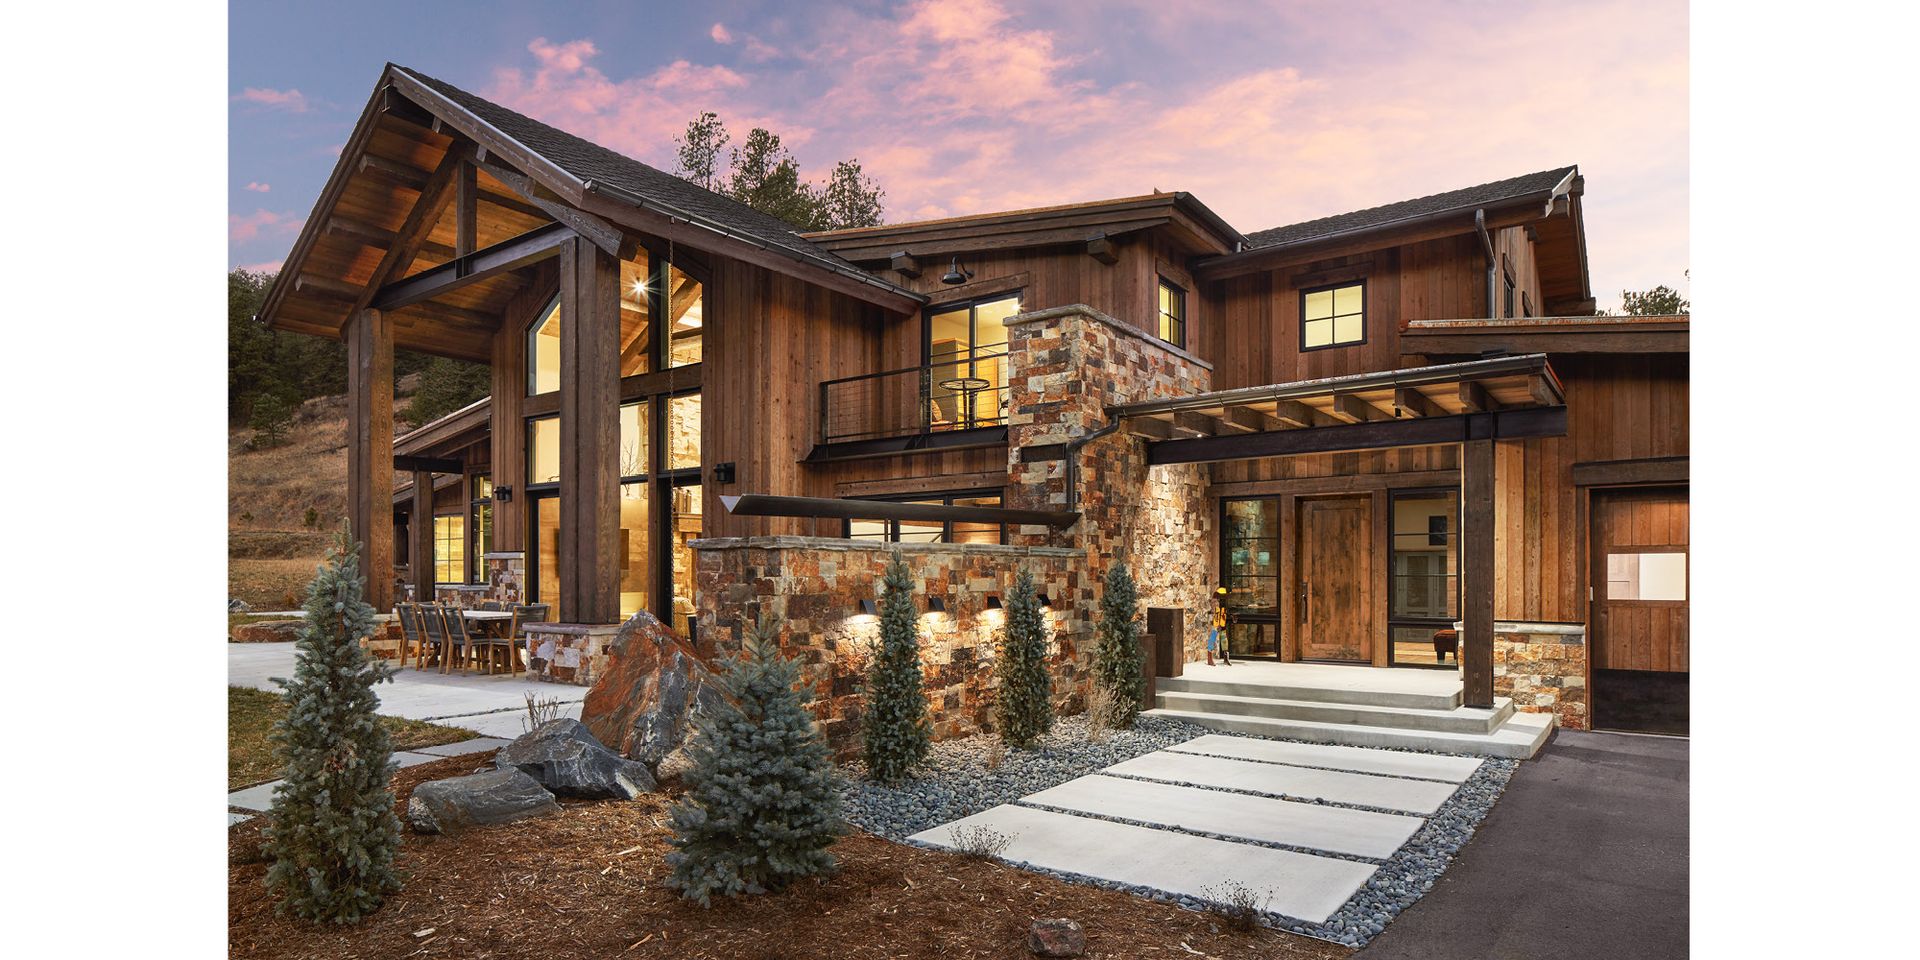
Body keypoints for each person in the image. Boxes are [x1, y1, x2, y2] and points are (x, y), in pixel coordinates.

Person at [1207, 586, 1233, 666]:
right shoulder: (1217, 600)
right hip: (1217, 621)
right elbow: (1214, 612)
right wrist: (1217, 624)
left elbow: (1224, 612)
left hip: (1222, 621)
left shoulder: (1224, 602)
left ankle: (1226, 658)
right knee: (1213, 637)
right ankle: (1209, 658)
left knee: (1224, 638)